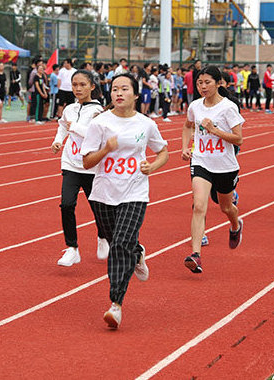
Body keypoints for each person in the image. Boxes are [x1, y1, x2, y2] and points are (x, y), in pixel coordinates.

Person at [81, 72, 169, 329]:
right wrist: (106, 149)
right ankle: (138, 252)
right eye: (114, 89)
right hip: (103, 193)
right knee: (116, 241)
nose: (118, 93)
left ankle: (115, 304)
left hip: (135, 192)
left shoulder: (145, 124)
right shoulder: (100, 123)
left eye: (124, 89)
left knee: (119, 246)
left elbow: (163, 151)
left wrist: (152, 167)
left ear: (135, 93)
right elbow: (86, 162)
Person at [181, 65, 244, 274]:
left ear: (219, 83)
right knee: (199, 205)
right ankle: (196, 255)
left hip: (225, 165)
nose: (202, 86)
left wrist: (214, 130)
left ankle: (235, 225)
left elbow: (239, 139)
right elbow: (188, 125)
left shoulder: (228, 108)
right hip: (201, 161)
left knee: (226, 207)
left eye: (207, 82)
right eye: (199, 83)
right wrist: (185, 146)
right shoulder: (195, 106)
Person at [51, 69, 109, 267]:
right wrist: (58, 141)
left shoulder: (99, 112)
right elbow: (62, 126)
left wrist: (74, 126)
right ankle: (72, 248)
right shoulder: (69, 109)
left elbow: (96, 136)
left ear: (92, 87)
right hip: (71, 164)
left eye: (82, 84)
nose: (78, 88)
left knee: (98, 209)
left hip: (92, 166)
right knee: (67, 204)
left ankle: (103, 236)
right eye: (75, 85)